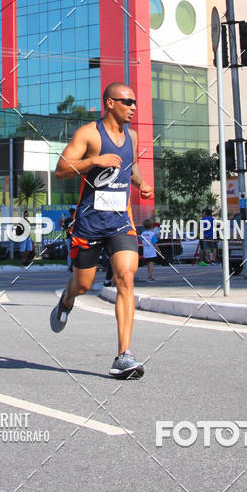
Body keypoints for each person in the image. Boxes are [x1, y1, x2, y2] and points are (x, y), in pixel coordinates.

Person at [50, 82, 153, 379]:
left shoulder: (131, 136)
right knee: (83, 284)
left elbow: (129, 168)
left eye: (134, 101)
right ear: (110, 103)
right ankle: (67, 299)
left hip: (120, 221)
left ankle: (124, 356)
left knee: (126, 277)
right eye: (127, 101)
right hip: (90, 222)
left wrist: (141, 184)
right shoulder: (88, 134)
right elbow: (61, 170)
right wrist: (94, 160)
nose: (133, 106)